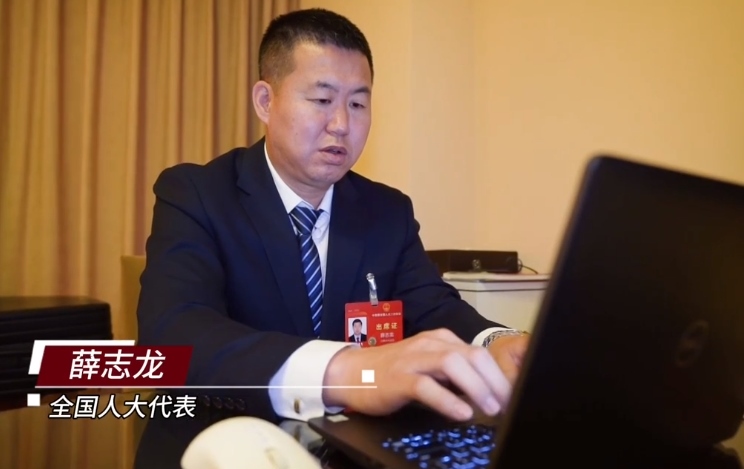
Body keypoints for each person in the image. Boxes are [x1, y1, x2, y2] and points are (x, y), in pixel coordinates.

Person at [136, 7, 530, 424]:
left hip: (351, 443)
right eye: (322, 100)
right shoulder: (197, 194)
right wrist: (344, 371)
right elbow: (172, 336)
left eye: (357, 103)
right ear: (266, 101)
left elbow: (433, 307)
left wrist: (496, 342)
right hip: (225, 436)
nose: (341, 124)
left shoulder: (387, 211)